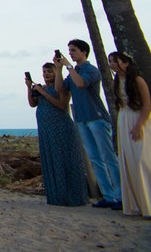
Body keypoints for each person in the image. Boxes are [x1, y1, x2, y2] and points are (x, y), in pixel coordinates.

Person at [57, 40, 122, 209]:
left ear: (84, 52)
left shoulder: (91, 70)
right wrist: (58, 69)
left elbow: (81, 84)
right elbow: (60, 89)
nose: (70, 53)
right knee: (94, 159)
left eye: (74, 50)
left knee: (108, 157)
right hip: (81, 119)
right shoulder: (74, 72)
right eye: (69, 50)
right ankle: (108, 196)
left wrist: (69, 67)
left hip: (96, 117)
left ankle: (121, 195)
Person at [26, 63, 88, 206]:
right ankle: (56, 195)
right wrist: (29, 88)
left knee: (64, 159)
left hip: (60, 127)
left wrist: (43, 93)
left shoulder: (61, 87)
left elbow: (62, 105)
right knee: (51, 159)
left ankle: (71, 196)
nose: (46, 74)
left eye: (49, 71)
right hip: (45, 129)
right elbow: (33, 104)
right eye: (44, 72)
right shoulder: (42, 88)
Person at [108, 51, 151, 218]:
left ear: (125, 63)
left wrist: (139, 125)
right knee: (129, 161)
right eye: (110, 61)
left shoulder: (138, 81)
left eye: (115, 61)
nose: (112, 64)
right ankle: (136, 204)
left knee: (141, 159)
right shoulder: (116, 82)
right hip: (124, 119)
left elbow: (147, 104)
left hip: (139, 118)